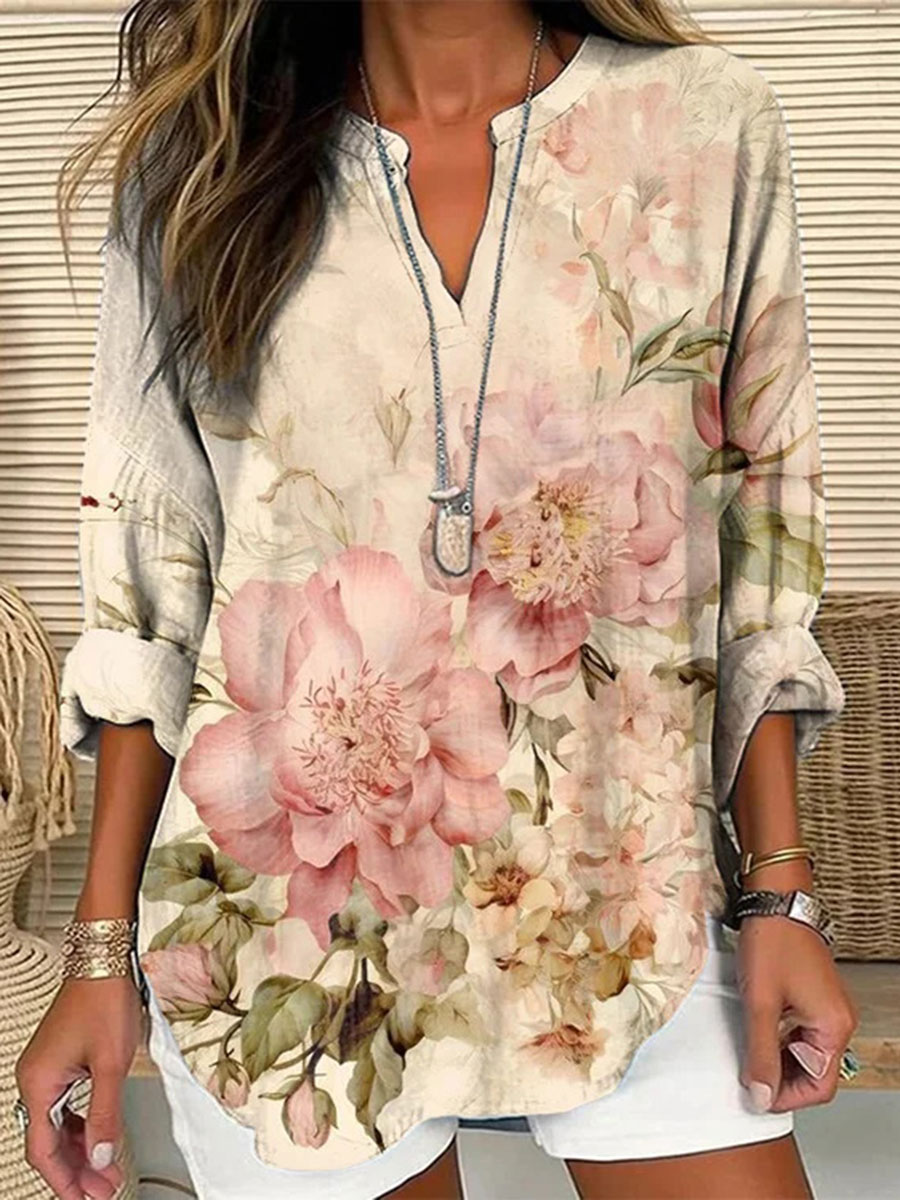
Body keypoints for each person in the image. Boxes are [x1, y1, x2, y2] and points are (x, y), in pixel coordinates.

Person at [15, 1, 859, 1197]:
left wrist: (781, 889)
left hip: (635, 900)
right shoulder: (199, 166)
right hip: (290, 941)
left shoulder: (706, 127)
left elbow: (760, 538)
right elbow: (151, 590)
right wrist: (99, 953)